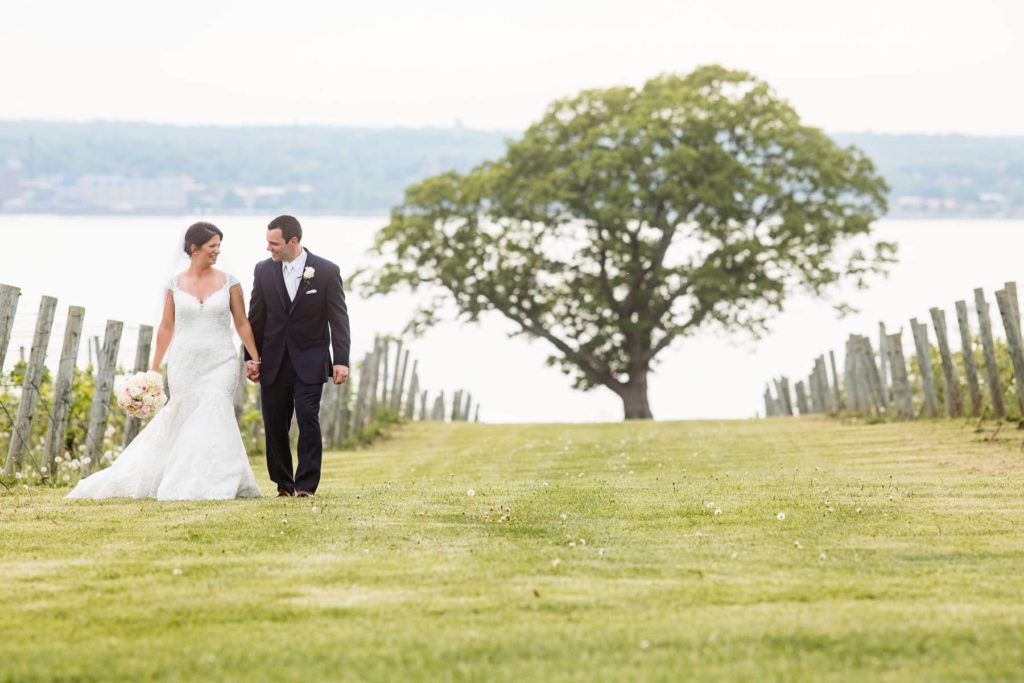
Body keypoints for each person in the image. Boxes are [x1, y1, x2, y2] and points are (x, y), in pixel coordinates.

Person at [67, 222, 262, 500]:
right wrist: (154, 369)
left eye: (219, 246)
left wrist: (255, 358)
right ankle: (182, 477)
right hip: (184, 362)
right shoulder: (174, 285)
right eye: (212, 246)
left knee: (215, 410)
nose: (217, 251)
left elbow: (242, 323)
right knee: (184, 417)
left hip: (221, 361)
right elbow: (166, 327)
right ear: (194, 249)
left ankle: (219, 479)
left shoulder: (230, 282)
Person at [246, 215, 350, 498]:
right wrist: (250, 357)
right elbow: (255, 317)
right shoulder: (263, 270)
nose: (269, 248)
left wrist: (341, 360)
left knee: (308, 418)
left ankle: (305, 485)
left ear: (293, 241)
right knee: (275, 422)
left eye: (274, 243)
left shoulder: (326, 271)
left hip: (311, 360)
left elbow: (338, 319)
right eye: (267, 242)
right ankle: (283, 484)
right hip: (273, 361)